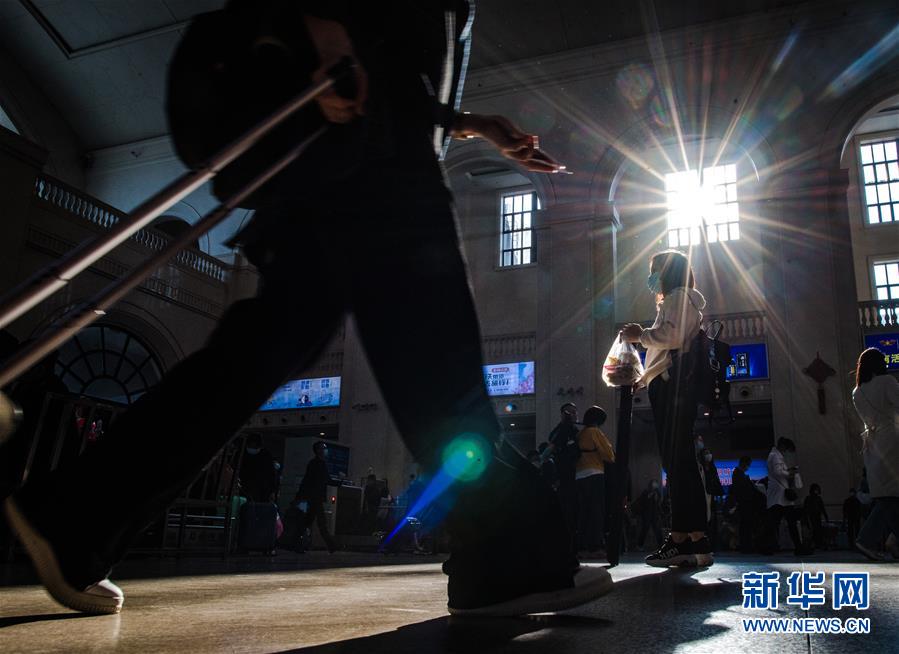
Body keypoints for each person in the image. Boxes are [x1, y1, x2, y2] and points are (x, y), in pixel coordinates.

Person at [3, 0, 612, 617]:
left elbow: (395, 64)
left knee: (259, 357)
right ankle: (508, 560)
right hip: (376, 165)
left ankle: (75, 518)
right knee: (436, 369)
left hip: (347, 156)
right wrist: (312, 30)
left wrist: (468, 123)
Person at [621, 249, 712, 567]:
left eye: (654, 270)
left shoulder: (676, 297)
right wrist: (644, 378)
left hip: (672, 389)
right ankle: (692, 539)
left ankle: (681, 539)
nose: (651, 277)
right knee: (681, 463)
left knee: (677, 464)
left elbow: (670, 337)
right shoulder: (684, 299)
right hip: (673, 385)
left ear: (668, 272)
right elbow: (669, 351)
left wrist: (640, 335)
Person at [851, 348, 899, 561]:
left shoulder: (857, 392)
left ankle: (891, 540)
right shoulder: (887, 382)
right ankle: (868, 539)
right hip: (892, 441)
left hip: (873, 444)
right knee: (891, 496)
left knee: (888, 495)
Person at [542, 403, 581, 562]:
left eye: (575, 412)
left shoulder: (574, 430)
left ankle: (572, 548)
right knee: (567, 513)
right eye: (570, 412)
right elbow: (550, 448)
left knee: (573, 513)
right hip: (565, 477)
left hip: (574, 476)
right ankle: (566, 549)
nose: (574, 415)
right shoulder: (561, 431)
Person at [574, 406, 615, 555]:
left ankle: (581, 546)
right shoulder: (595, 432)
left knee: (583, 512)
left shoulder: (580, 434)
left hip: (579, 475)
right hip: (595, 472)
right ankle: (596, 546)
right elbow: (609, 456)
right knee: (597, 511)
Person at [761, 437, 810, 555]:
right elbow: (778, 472)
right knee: (786, 522)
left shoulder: (774, 455)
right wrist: (789, 473)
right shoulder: (775, 456)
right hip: (780, 495)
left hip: (779, 496)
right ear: (782, 446)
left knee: (775, 523)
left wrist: (788, 471)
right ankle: (797, 547)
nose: (786, 451)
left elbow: (777, 471)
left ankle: (769, 547)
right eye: (786, 449)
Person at [297, 441, 337, 553]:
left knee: (306, 522)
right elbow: (327, 480)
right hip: (315, 498)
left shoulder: (313, 463)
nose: (325, 450)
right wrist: (340, 483)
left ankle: (298, 544)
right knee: (320, 522)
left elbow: (307, 480)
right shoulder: (320, 464)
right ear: (318, 450)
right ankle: (331, 546)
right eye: (323, 448)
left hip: (309, 497)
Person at [239, 434, 279, 502]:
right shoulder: (241, 454)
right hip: (244, 489)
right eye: (251, 446)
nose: (252, 448)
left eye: (255, 446)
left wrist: (273, 491)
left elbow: (272, 474)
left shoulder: (266, 455)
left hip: (262, 491)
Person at [731, 456, 758, 553]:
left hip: (743, 503)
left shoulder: (739, 473)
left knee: (744, 525)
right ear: (744, 463)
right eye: (748, 465)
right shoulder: (738, 474)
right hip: (744, 503)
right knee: (745, 525)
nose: (748, 467)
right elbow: (742, 489)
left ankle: (745, 545)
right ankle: (746, 546)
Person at [699, 448, 724, 551]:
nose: (708, 455)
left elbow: (717, 483)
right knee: (704, 520)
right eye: (706, 453)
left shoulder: (713, 468)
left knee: (712, 521)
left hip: (711, 497)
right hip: (702, 497)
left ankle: (712, 545)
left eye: (709, 453)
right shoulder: (700, 468)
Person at [634, 480, 663, 550]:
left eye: (656, 484)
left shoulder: (657, 492)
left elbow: (659, 501)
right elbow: (642, 500)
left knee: (657, 529)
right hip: (647, 514)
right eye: (654, 484)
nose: (655, 485)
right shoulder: (646, 492)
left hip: (654, 514)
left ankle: (661, 545)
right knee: (645, 529)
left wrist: (656, 496)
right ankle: (639, 545)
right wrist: (650, 495)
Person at [803, 483, 829, 550]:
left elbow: (822, 508)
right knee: (813, 530)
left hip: (817, 516)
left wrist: (826, 517)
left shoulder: (818, 498)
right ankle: (813, 543)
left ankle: (817, 543)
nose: (816, 491)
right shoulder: (809, 498)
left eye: (817, 490)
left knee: (818, 530)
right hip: (811, 516)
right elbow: (805, 509)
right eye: (815, 490)